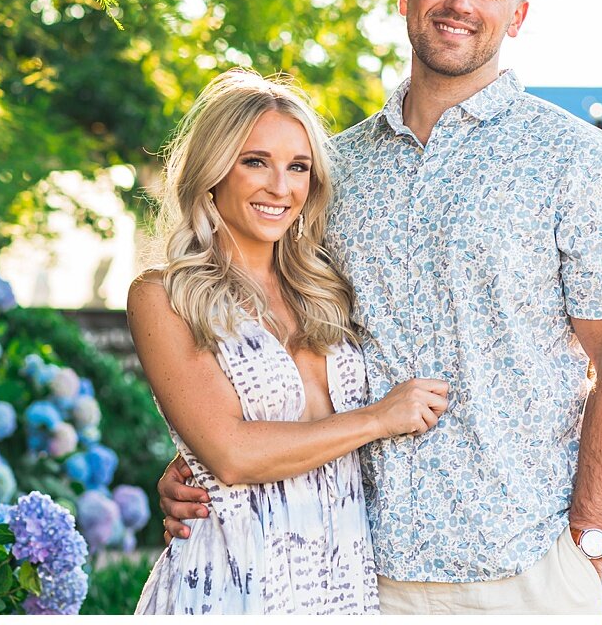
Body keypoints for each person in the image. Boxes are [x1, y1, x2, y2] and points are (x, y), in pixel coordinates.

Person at [158, 0, 602, 614]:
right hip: (356, 568)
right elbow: (263, 328)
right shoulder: (333, 168)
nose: (460, 2)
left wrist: (588, 545)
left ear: (517, 16)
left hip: (522, 570)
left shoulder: (581, 164)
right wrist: (197, 454)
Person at [128, 68, 451, 614]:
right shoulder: (164, 296)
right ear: (214, 170)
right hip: (236, 584)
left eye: (298, 167)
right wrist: (378, 418)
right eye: (256, 161)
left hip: (343, 586)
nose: (281, 187)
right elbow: (230, 454)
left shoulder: (327, 287)